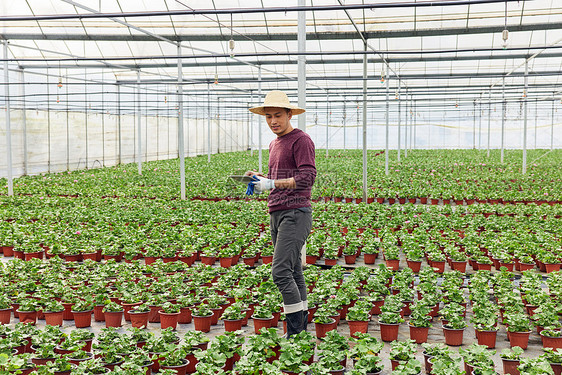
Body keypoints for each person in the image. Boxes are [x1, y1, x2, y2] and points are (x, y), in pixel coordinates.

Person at [245, 90, 316, 337]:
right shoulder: (274, 143)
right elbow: (278, 179)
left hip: (295, 212)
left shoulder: (301, 140)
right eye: (268, 117)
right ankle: (301, 329)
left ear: (289, 115)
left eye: (278, 115)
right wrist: (262, 179)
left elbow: (307, 177)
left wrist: (272, 184)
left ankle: (295, 332)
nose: (273, 121)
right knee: (294, 270)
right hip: (276, 212)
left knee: (280, 272)